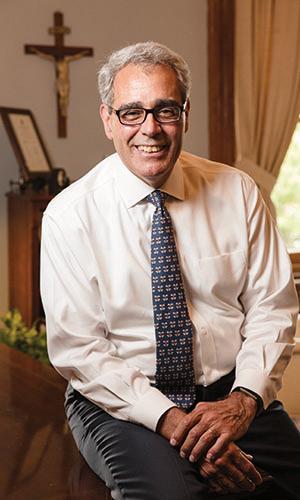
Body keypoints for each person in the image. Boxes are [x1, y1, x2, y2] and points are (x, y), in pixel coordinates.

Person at [40, 41, 300, 499]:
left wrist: (243, 402)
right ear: (107, 119)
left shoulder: (238, 192)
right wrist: (180, 428)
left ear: (186, 114)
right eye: (132, 113)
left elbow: (273, 310)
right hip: (120, 403)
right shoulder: (69, 215)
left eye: (165, 110)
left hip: (229, 395)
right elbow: (81, 350)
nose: (151, 130)